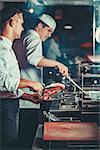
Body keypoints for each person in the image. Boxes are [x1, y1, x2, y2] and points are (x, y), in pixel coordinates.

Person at [14, 13, 68, 149]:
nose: (49, 35)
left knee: (21, 139)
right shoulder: (34, 38)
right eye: (48, 30)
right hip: (28, 98)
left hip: (20, 95)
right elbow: (34, 59)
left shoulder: (24, 36)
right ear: (39, 26)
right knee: (26, 139)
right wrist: (58, 64)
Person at [0, 7, 44, 150]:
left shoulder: (8, 47)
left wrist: (27, 96)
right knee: (9, 146)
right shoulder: (1, 48)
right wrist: (31, 83)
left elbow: (8, 86)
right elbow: (2, 82)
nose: (23, 28)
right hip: (4, 108)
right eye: (21, 23)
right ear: (12, 22)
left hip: (10, 105)